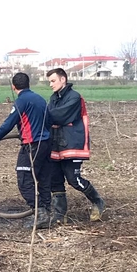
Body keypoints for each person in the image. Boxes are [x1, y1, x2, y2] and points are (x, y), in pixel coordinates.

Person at [0, 73, 52, 224]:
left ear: (13, 86)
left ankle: (41, 214)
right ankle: (47, 211)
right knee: (43, 178)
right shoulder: (40, 99)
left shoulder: (21, 101)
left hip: (32, 145)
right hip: (46, 143)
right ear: (28, 84)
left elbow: (8, 124)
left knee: (24, 180)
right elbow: (47, 121)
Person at [45, 68, 104, 225]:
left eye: (53, 81)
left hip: (72, 144)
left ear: (63, 79)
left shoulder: (75, 97)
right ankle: (59, 215)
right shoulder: (53, 98)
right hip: (56, 145)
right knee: (55, 180)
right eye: (49, 82)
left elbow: (59, 116)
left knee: (73, 179)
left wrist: (41, 116)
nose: (50, 84)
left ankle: (98, 202)